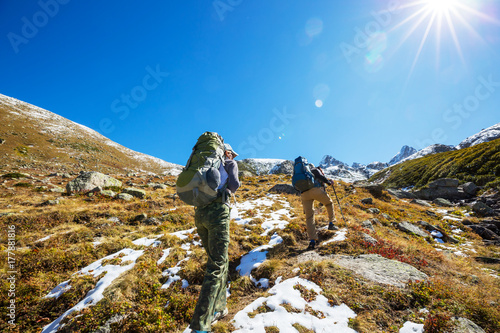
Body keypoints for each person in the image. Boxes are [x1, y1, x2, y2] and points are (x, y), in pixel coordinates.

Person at [190, 143, 240, 333]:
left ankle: (219, 308)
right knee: (217, 265)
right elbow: (234, 184)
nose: (233, 157)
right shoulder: (229, 163)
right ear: (226, 152)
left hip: (200, 214)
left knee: (219, 260)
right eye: (232, 154)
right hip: (218, 212)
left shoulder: (204, 164)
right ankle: (200, 325)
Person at [300, 164, 338, 250]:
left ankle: (312, 241)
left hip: (304, 194)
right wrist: (328, 182)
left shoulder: (302, 174)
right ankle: (331, 223)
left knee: (309, 216)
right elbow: (320, 176)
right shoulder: (314, 169)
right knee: (329, 203)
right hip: (315, 190)